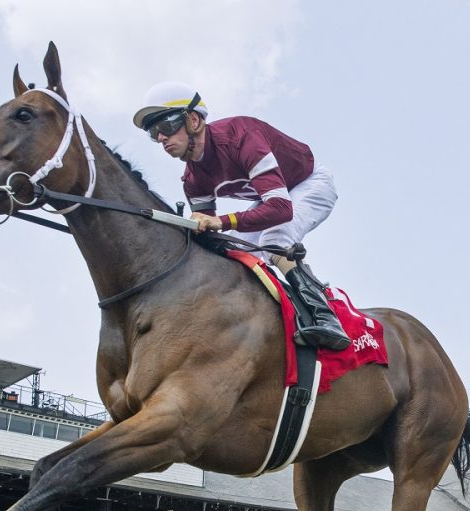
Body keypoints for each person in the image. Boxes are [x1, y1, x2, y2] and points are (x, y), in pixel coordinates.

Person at [133, 82, 350, 351]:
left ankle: (325, 316)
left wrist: (222, 222)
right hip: (268, 198)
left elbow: (282, 209)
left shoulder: (241, 137)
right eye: (153, 133)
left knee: (276, 237)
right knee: (231, 250)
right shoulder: (192, 179)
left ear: (193, 120)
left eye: (165, 126)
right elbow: (210, 237)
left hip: (308, 183)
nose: (161, 138)